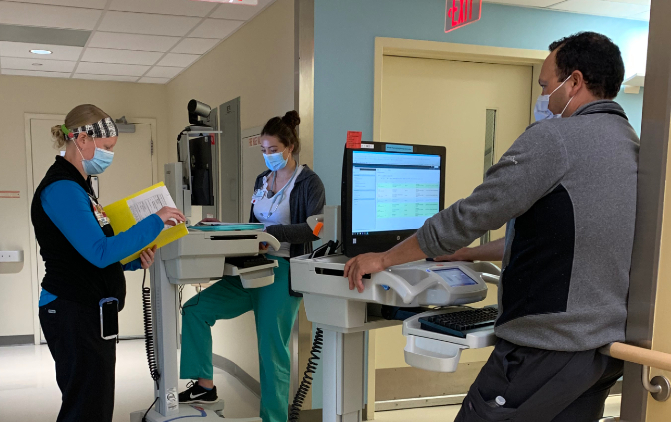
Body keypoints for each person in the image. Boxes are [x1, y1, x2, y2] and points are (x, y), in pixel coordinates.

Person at [344, 32, 638, 422]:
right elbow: (563, 239)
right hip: (600, 353)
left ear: (576, 82)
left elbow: (470, 215)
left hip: (544, 349)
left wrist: (384, 258)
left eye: (546, 86)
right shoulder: (631, 145)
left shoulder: (555, 139)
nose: (544, 96)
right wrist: (469, 253)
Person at [32, 104, 184, 422]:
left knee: (95, 403)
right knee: (85, 407)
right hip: (72, 309)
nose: (110, 155)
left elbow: (90, 254)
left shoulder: (80, 187)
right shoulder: (61, 188)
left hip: (91, 310)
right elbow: (99, 251)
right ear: (82, 139)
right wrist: (155, 221)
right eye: (107, 148)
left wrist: (130, 261)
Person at [177, 110, 326, 422]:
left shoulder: (309, 182)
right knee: (195, 309)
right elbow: (252, 225)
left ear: (290, 146)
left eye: (273, 150)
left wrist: (270, 233)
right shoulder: (263, 179)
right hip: (251, 268)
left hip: (283, 271)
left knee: (272, 355)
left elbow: (314, 228)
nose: (268, 156)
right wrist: (227, 230)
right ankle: (205, 386)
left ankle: (274, 419)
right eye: (263, 150)